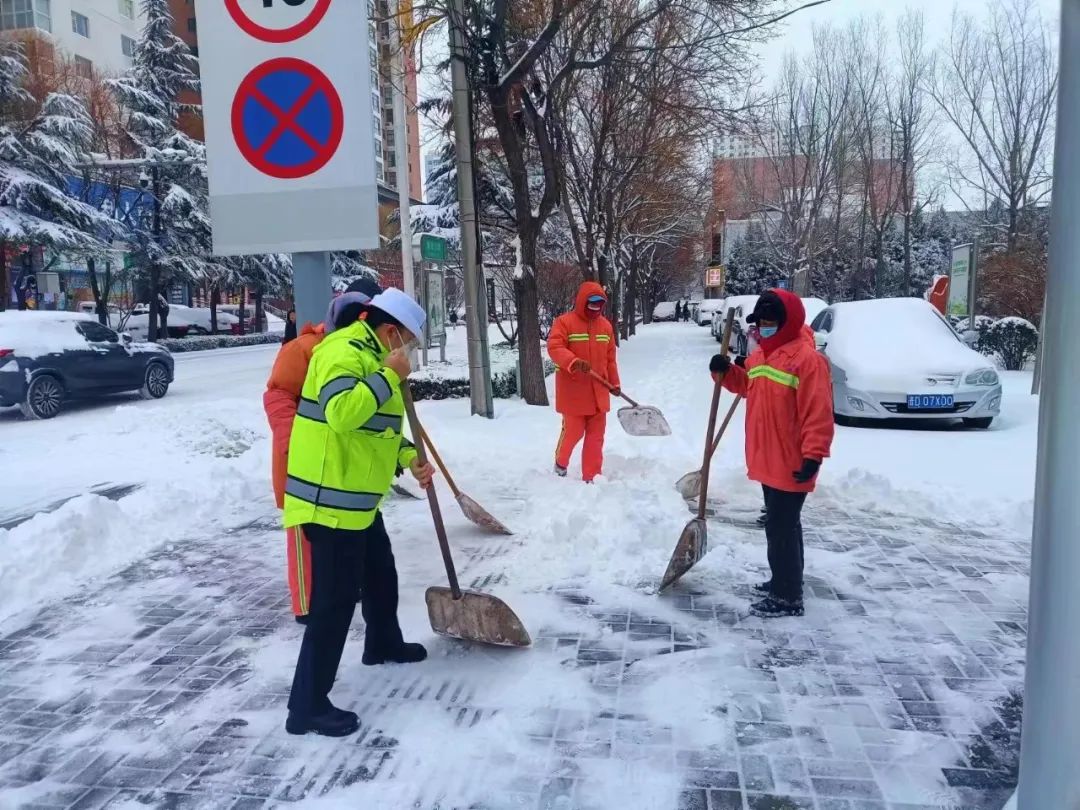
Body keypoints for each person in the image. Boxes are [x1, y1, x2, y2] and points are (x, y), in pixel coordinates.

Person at [282, 287, 434, 737]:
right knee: (334, 603)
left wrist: (409, 459)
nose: (408, 352)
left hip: (358, 501)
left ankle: (383, 643)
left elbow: (376, 430)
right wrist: (389, 376)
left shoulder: (373, 357)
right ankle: (306, 706)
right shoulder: (342, 351)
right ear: (390, 331)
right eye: (407, 341)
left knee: (381, 575)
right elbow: (342, 414)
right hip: (329, 503)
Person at [264, 279, 383, 626]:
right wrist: (295, 442)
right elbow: (277, 396)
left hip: (339, 462)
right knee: (303, 535)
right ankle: (306, 605)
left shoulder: (366, 351)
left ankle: (343, 589)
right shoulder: (305, 348)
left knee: (341, 533)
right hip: (302, 461)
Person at [709, 289, 834, 619]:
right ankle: (786, 580)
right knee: (785, 525)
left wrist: (814, 455)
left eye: (769, 323)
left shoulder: (808, 361)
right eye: (760, 324)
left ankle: (787, 596)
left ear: (787, 322)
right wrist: (724, 372)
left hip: (792, 459)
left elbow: (817, 413)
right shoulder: (762, 356)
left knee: (780, 527)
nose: (763, 328)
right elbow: (748, 387)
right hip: (768, 456)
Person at [547, 282, 620, 483]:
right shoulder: (564, 323)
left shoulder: (606, 326)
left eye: (600, 303)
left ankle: (592, 476)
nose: (595, 306)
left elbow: (610, 359)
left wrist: (614, 383)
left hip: (599, 392)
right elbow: (554, 347)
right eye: (592, 302)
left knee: (596, 438)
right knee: (573, 432)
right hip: (574, 393)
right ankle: (561, 463)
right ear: (582, 301)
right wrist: (572, 361)